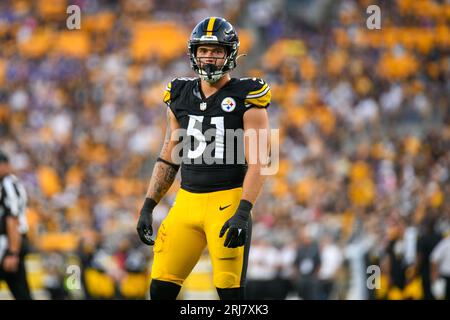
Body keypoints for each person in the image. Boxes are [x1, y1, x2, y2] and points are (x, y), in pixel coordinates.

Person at [136, 17, 272, 300]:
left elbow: (261, 162)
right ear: (194, 53)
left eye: (216, 50)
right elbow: (169, 155)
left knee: (230, 294)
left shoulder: (248, 95)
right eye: (203, 50)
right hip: (186, 202)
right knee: (160, 287)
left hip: (227, 203)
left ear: (230, 53)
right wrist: (149, 204)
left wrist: (243, 212)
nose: (209, 56)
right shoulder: (179, 93)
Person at [0, 150, 32, 300]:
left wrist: (12, 252)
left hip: (9, 243)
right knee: (20, 290)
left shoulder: (8, 184)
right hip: (11, 243)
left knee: (20, 290)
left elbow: (12, 219)